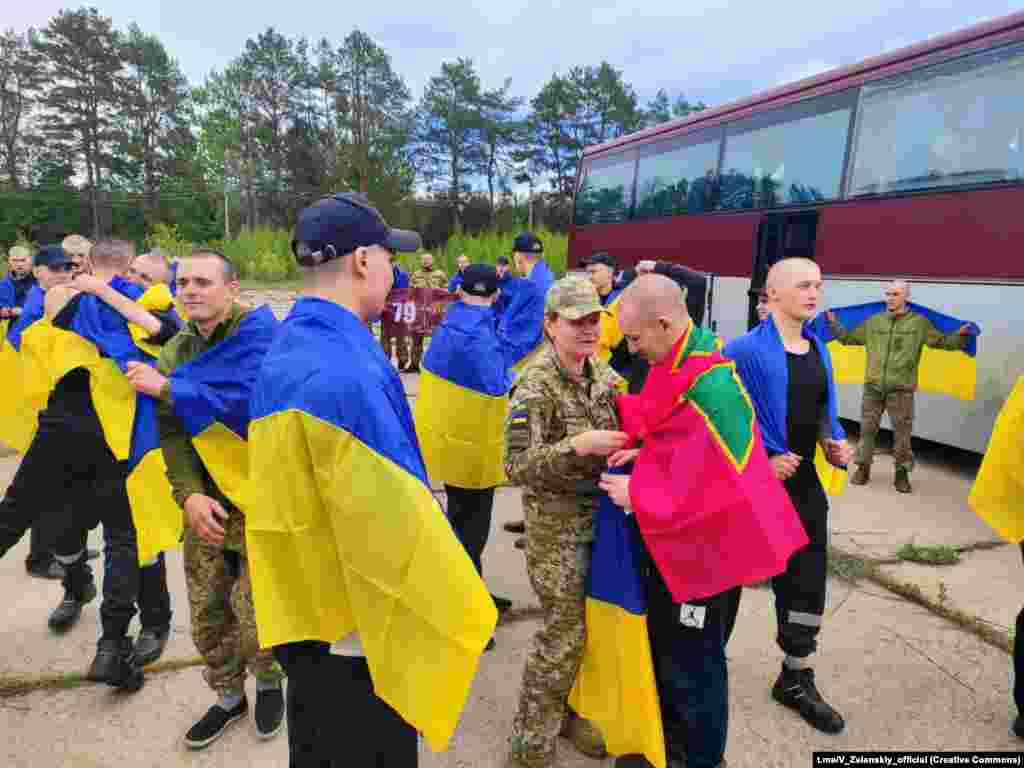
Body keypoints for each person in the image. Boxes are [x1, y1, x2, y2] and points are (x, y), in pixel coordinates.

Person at [247, 192, 496, 768]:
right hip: (352, 635)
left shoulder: (298, 343)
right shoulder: (345, 370)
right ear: (362, 260)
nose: (394, 271)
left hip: (305, 608)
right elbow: (393, 526)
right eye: (389, 257)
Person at [604, 274, 808, 768]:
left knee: (696, 663)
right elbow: (675, 440)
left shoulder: (709, 381)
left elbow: (725, 482)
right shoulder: (682, 361)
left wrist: (638, 493)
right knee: (673, 653)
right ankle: (670, 746)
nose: (632, 349)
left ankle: (699, 757)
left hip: (710, 555)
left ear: (663, 322)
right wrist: (640, 451)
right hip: (687, 547)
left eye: (635, 338)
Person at [125, 248, 286, 749]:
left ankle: (269, 681)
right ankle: (227, 695)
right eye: (183, 283)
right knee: (208, 609)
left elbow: (251, 401)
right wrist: (190, 495)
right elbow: (172, 432)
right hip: (208, 499)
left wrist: (170, 389)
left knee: (260, 609)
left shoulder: (262, 337)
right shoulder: (177, 352)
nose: (190, 291)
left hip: (263, 493)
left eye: (203, 282)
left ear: (232, 288)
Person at [2, 241, 178, 689]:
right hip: (104, 434)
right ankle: (109, 640)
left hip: (87, 430)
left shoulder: (85, 298)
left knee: (23, 516)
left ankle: (145, 624)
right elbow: (161, 332)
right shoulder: (91, 298)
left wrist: (96, 291)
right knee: (118, 538)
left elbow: (162, 330)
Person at [725, 258, 854, 735]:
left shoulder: (817, 346)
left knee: (806, 582)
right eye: (803, 285)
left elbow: (821, 410)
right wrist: (761, 461)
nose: (814, 293)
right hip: (752, 488)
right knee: (724, 580)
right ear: (773, 293)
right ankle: (700, 665)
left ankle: (795, 676)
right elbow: (720, 420)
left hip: (803, 486)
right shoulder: (742, 351)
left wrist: (833, 442)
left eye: (818, 285)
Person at [505, 275, 627, 768]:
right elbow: (516, 466)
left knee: (593, 628)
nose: (588, 329)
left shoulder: (603, 373)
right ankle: (530, 746)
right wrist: (575, 446)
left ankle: (572, 712)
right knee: (562, 636)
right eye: (577, 321)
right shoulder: (535, 385)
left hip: (605, 521)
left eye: (594, 319)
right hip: (556, 531)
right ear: (550, 325)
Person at [413, 263, 515, 639]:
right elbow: (497, 384)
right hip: (475, 454)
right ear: (496, 294)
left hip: (449, 448)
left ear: (460, 291)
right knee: (471, 533)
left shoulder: (449, 326)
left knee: (461, 524)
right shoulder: (483, 335)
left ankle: (474, 593)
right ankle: (467, 616)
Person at [826, 280, 972, 493]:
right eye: (888, 294)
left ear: (906, 297)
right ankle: (863, 468)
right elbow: (848, 339)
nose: (890, 299)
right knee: (867, 431)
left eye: (895, 294)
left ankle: (901, 473)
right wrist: (834, 324)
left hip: (901, 390)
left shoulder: (919, 323)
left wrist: (961, 336)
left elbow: (942, 342)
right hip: (873, 388)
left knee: (902, 436)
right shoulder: (874, 321)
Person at [406, 251, 448, 373]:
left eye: (428, 260)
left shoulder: (440, 274)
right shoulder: (416, 275)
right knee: (416, 338)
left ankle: (435, 366)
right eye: (424, 260)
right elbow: (410, 291)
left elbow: (447, 289)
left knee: (436, 339)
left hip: (434, 312)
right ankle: (414, 364)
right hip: (420, 312)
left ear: (432, 261)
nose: (426, 262)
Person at [380, 257, 411, 370]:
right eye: (389, 262)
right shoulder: (381, 275)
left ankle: (402, 360)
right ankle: (385, 360)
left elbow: (407, 291)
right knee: (385, 335)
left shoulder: (403, 275)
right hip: (386, 309)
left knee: (401, 335)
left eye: (392, 262)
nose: (391, 264)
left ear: (395, 263)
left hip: (400, 308)